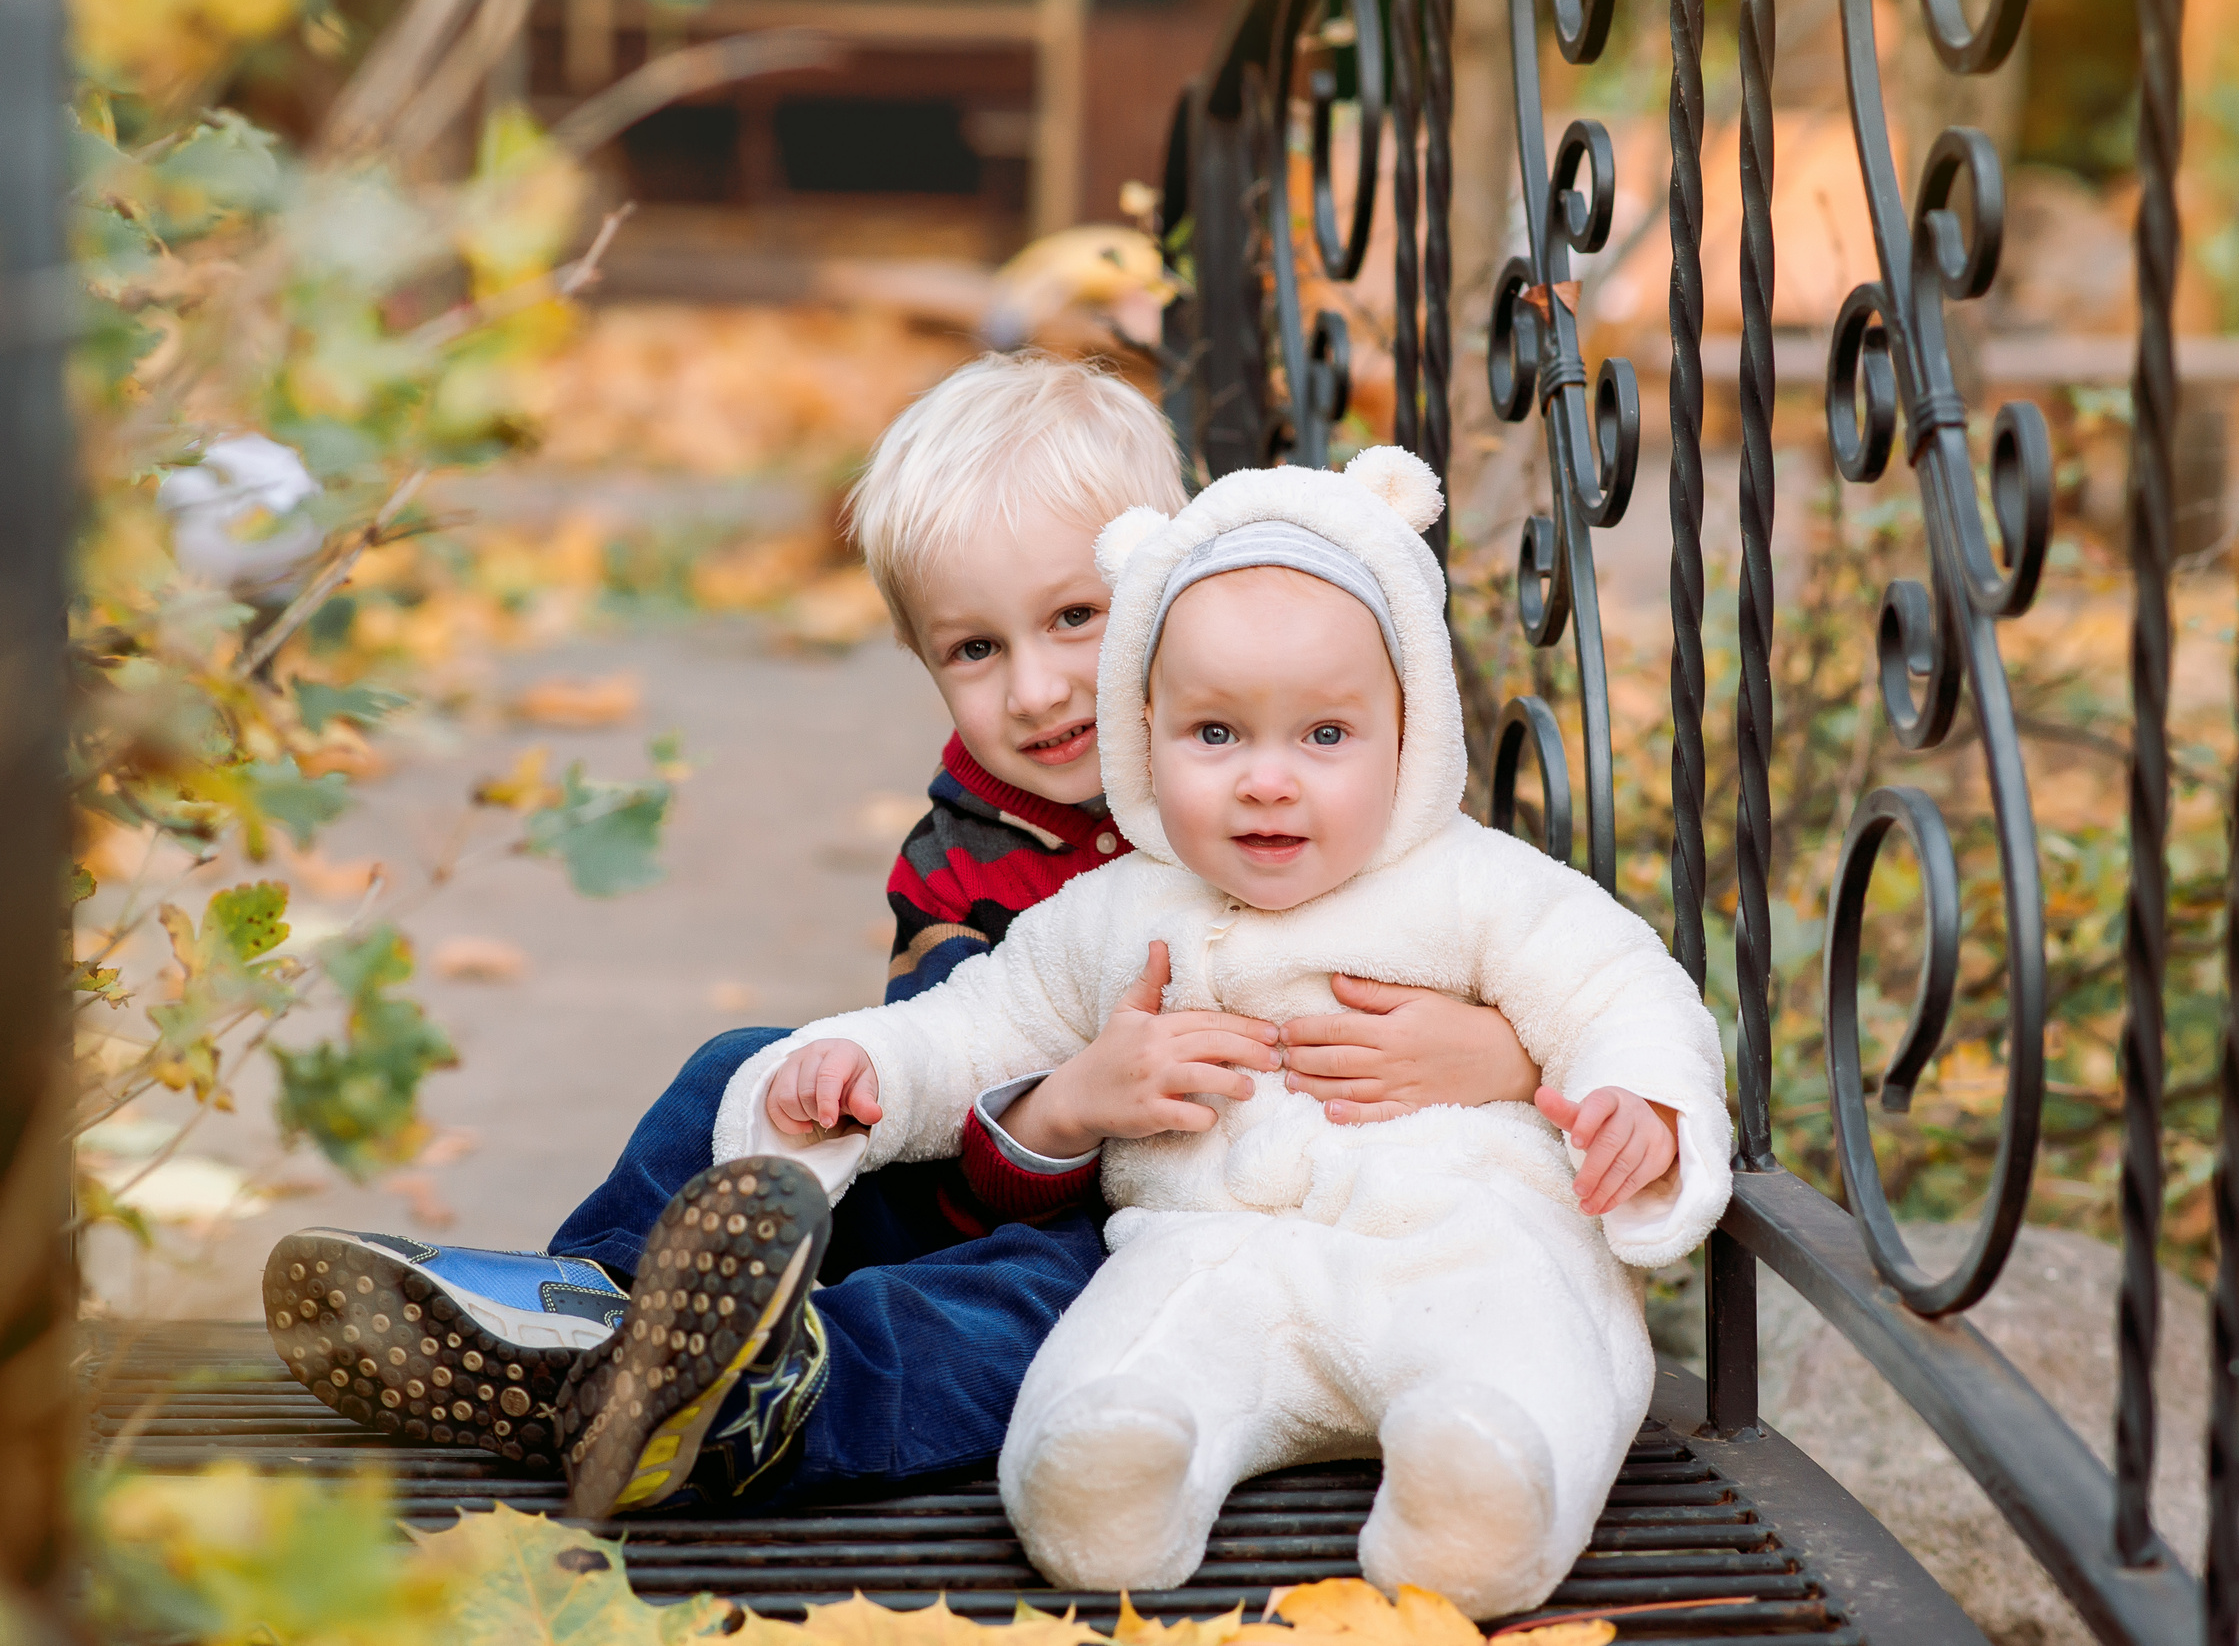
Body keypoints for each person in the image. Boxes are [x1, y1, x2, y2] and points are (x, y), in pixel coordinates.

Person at [259, 355, 1542, 1500]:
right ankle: (586, 1315)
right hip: (1010, 1171)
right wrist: (966, 1091)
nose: (1034, 688)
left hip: (1183, 1237)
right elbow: (948, 1090)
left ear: (1161, 592)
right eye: (974, 648)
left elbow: (1525, 957)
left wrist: (1502, 1056)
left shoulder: (1308, 786)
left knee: (1009, 1309)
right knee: (738, 1069)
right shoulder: (960, 853)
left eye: (1073, 620)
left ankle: (775, 1401)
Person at [559, 446, 1731, 1618]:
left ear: (1409, 731)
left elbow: (1616, 987)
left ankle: (1481, 1489)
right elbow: (980, 1020)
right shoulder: (1117, 901)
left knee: (1514, 1334)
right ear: (1153, 720)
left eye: (1322, 737)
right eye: (1216, 736)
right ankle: (599, 1332)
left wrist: (1632, 1098)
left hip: (1450, 1232)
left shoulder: (1473, 886)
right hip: (1197, 1248)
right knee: (1109, 1364)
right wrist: (868, 1063)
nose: (1266, 782)